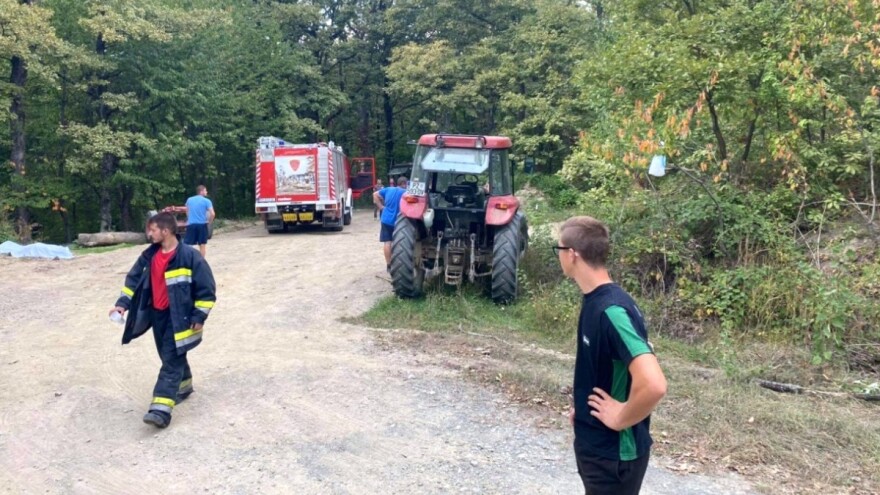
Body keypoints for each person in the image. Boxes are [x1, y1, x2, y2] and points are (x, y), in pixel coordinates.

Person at [555, 216, 667, 495]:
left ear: (572, 255)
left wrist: (621, 417)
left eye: (558, 250)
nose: (559, 256)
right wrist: (582, 407)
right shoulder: (595, 300)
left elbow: (654, 384)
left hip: (614, 456)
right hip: (597, 448)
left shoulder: (612, 311)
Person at [109, 212, 217, 429]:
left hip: (180, 318)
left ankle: (161, 409)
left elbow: (207, 290)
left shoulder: (190, 257)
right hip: (157, 316)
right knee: (170, 354)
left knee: (170, 358)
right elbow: (132, 280)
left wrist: (199, 315)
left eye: (153, 229)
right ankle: (184, 386)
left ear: (166, 231)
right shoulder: (149, 256)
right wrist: (122, 305)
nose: (149, 233)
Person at [373, 176, 407, 272]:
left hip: (386, 220)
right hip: (399, 222)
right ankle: (399, 264)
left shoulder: (388, 189)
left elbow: (375, 194)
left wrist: (381, 207)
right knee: (400, 243)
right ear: (404, 184)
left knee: (387, 243)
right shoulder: (405, 193)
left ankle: (388, 265)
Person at [183, 185, 215, 258]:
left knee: (188, 244)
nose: (206, 192)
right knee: (202, 244)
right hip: (202, 225)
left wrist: (189, 218)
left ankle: (189, 259)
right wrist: (209, 222)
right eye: (205, 190)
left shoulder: (189, 199)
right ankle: (201, 261)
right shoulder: (207, 201)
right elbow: (212, 214)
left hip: (191, 224)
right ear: (201, 191)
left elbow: (186, 210)